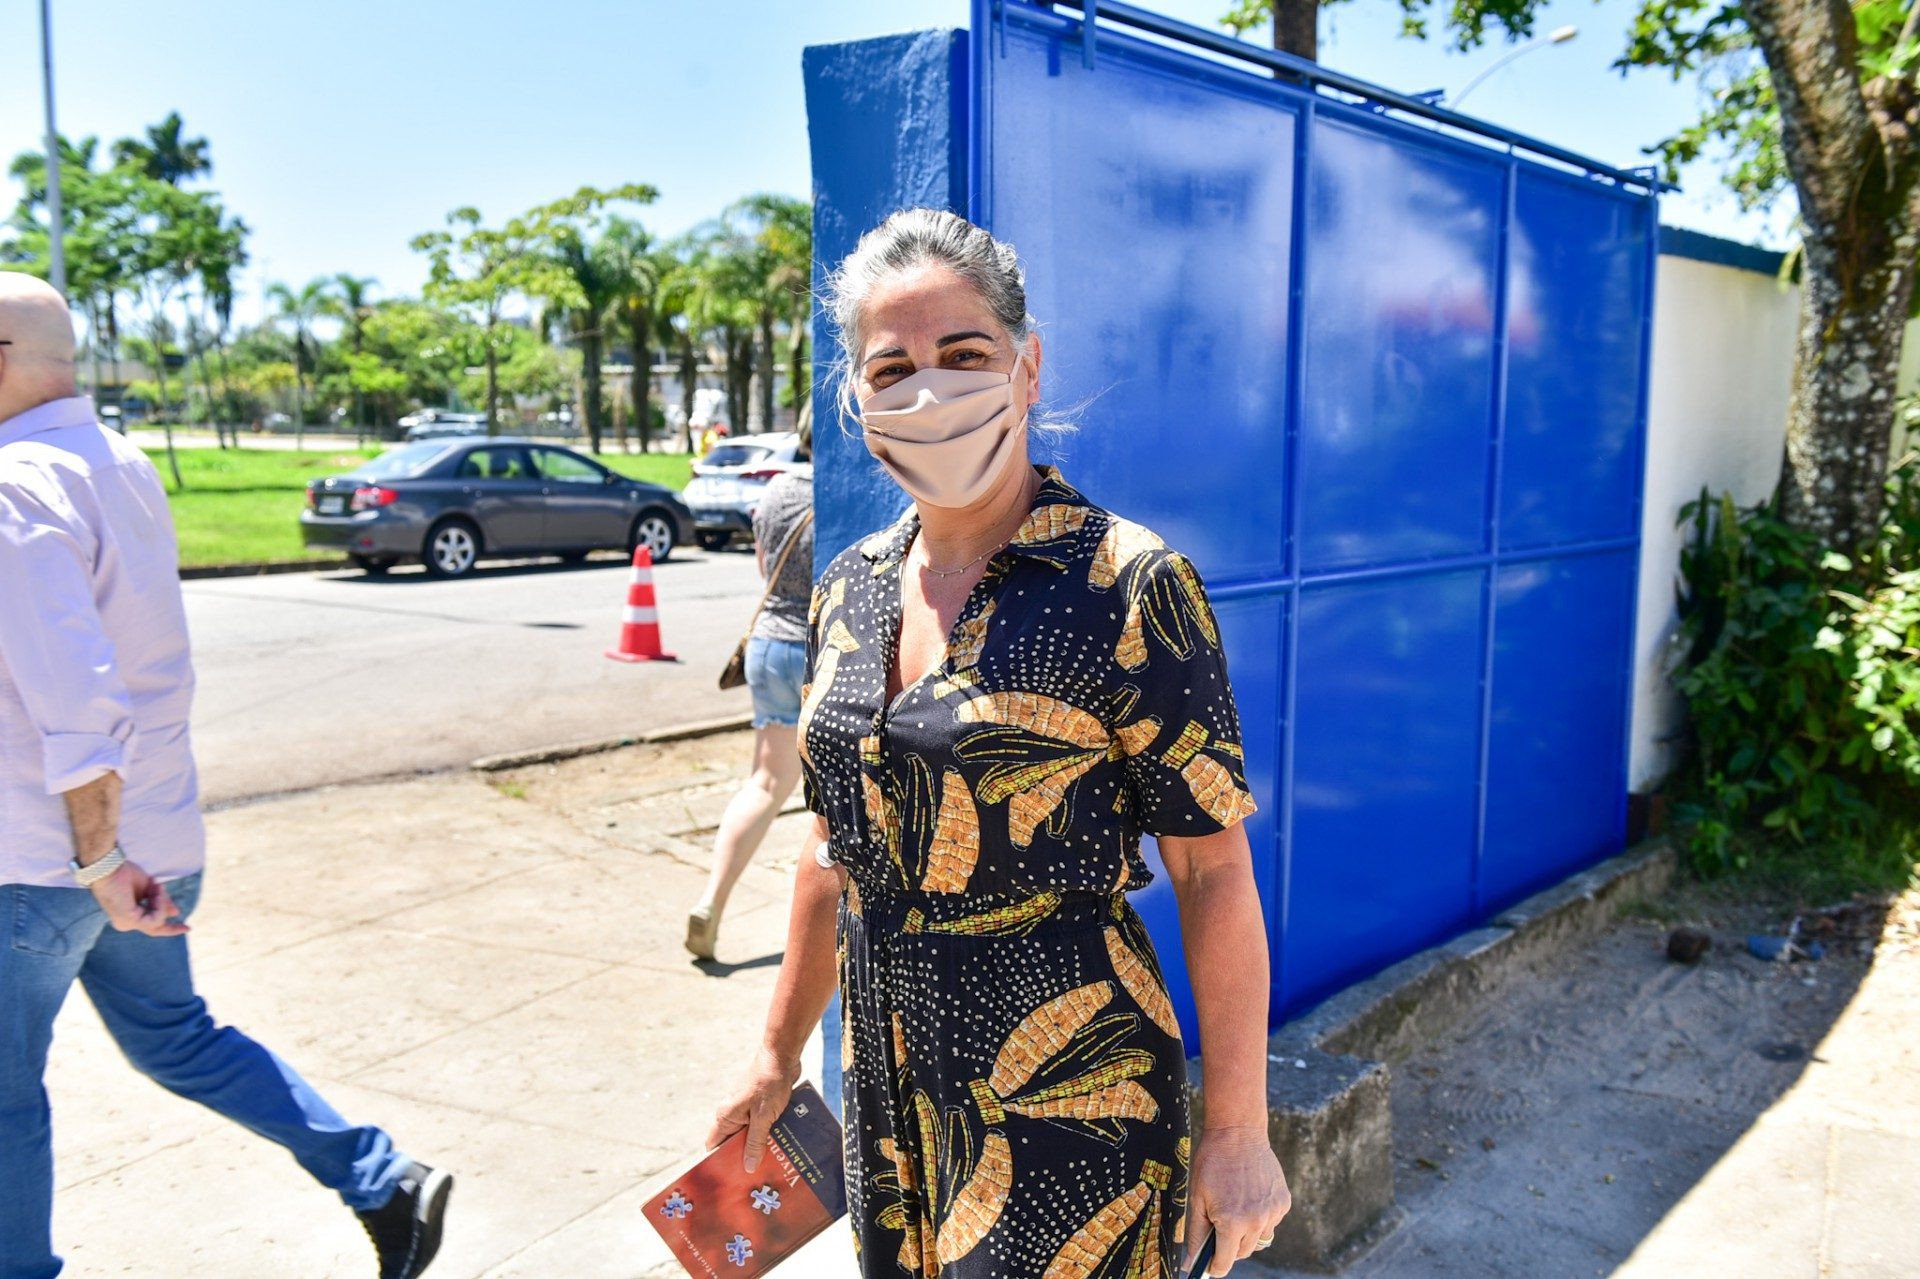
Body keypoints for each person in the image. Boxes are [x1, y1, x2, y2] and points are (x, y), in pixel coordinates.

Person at [705, 210, 1291, 1277]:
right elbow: (831, 849)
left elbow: (1212, 871)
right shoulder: (848, 590)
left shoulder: (1128, 583)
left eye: (963, 355)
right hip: (886, 1092)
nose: (929, 389)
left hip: (1069, 1086)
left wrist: (1239, 1128)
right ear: (858, 403)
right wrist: (775, 1051)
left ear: (1027, 369)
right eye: (895, 368)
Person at [0, 272, 452, 1279]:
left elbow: (78, 701)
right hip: (146, 838)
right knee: (177, 1040)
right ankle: (382, 1178)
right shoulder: (113, 459)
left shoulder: (12, 484)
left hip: (53, 862)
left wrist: (100, 860)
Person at [688, 421, 816, 959]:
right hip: (818, 651)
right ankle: (814, 939)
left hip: (767, 646)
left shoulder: (780, 489)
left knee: (765, 784)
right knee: (831, 807)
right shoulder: (848, 491)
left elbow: (765, 566)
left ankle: (711, 899)